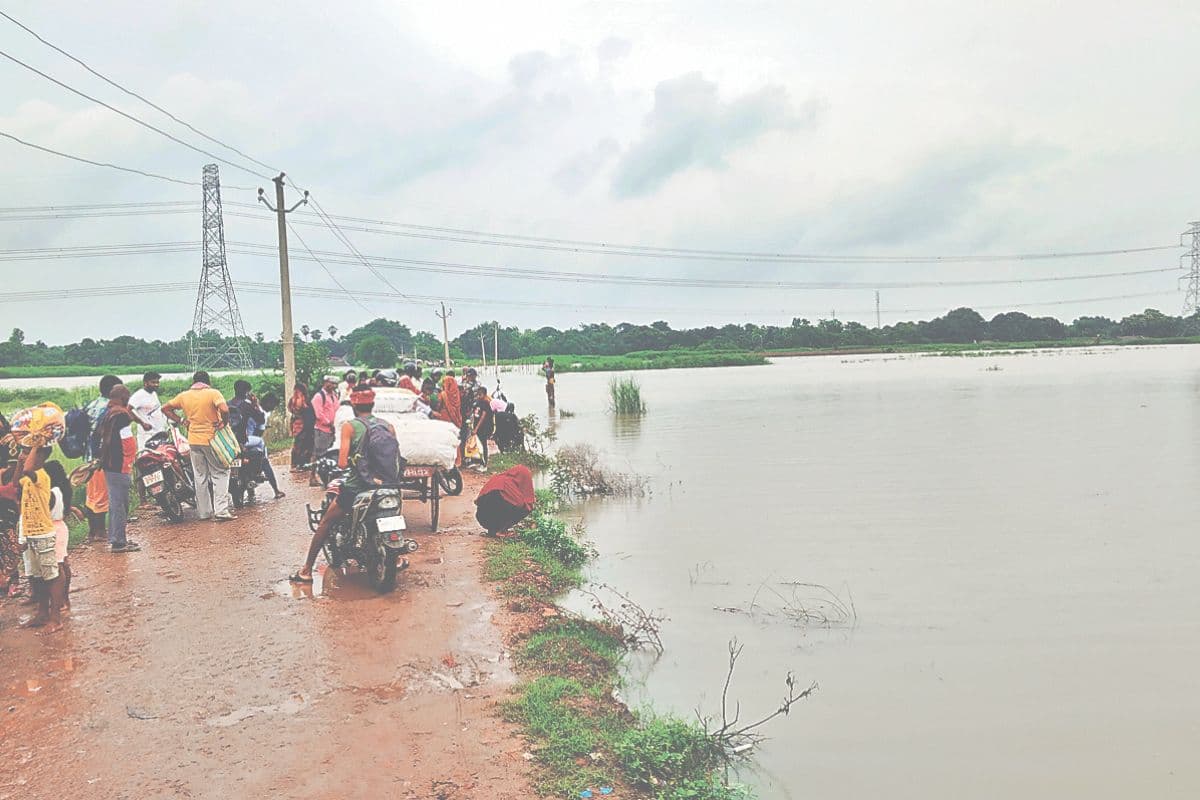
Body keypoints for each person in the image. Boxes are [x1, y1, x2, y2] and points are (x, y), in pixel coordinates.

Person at [290, 387, 399, 583]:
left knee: (326, 521)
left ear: (354, 406)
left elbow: (341, 463)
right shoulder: (388, 426)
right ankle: (398, 558)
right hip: (388, 485)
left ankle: (306, 570)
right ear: (372, 405)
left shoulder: (350, 426)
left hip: (359, 486)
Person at [163, 370, 235, 522]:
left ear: (194, 382)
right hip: (212, 439)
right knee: (220, 473)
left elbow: (165, 408)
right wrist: (224, 422)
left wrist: (181, 420)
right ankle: (221, 510)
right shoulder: (213, 393)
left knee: (200, 476)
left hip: (193, 440)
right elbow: (225, 409)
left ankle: (204, 512)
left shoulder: (184, 396)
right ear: (207, 382)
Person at [17, 446, 65, 631]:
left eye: (26, 452)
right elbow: (16, 484)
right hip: (30, 532)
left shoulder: (40, 476)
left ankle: (56, 618)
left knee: (51, 575)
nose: (22, 455)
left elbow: (28, 470)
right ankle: (42, 613)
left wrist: (35, 444)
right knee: (37, 576)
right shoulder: (27, 479)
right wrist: (21, 461)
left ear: (41, 456)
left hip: (43, 532)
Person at [96, 384, 141, 551]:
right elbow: (129, 416)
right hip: (117, 464)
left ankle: (118, 538)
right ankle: (118, 541)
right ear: (122, 398)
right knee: (119, 503)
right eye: (127, 397)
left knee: (119, 502)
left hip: (116, 465)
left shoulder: (111, 413)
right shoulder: (118, 414)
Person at [44, 460, 74, 612]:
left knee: (58, 565)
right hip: (61, 526)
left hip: (54, 527)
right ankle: (65, 597)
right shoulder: (64, 489)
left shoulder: (52, 492)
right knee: (63, 562)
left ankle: (61, 600)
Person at [475, 464, 535, 537]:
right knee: (523, 509)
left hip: (481, 517)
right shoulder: (510, 486)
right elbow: (523, 505)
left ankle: (493, 530)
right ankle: (500, 531)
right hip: (491, 518)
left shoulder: (499, 479)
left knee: (500, 503)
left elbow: (478, 500)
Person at [246, 394, 285, 500]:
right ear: (269, 403)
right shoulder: (260, 413)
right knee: (264, 460)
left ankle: (251, 491)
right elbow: (259, 433)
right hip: (248, 440)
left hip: (235, 440)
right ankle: (276, 490)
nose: (273, 409)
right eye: (273, 406)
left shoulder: (243, 407)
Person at [309, 375, 340, 486]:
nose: (333, 386)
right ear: (326, 383)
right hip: (322, 429)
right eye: (331, 383)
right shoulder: (319, 396)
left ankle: (326, 476)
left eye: (335, 384)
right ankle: (312, 477)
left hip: (332, 429)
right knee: (318, 454)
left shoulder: (333, 396)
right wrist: (328, 422)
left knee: (330, 454)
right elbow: (318, 414)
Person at [129, 371, 166, 450]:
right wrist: (142, 423)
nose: (156, 385)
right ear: (145, 383)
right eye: (153, 382)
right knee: (146, 458)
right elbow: (127, 410)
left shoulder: (153, 394)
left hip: (158, 432)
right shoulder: (139, 395)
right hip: (146, 434)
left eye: (157, 382)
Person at [288, 381, 315, 471]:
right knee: (305, 445)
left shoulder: (293, 400)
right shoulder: (304, 400)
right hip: (304, 424)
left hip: (295, 424)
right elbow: (309, 413)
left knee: (297, 444)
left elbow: (291, 410)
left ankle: (295, 464)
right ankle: (301, 464)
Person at [468, 385, 495, 468]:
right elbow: (474, 414)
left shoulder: (486, 403)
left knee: (483, 444)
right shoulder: (477, 402)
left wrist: (476, 429)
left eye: (480, 394)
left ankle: (484, 464)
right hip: (476, 426)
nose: (479, 396)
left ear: (485, 394)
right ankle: (478, 461)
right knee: (477, 444)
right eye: (478, 394)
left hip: (484, 427)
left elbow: (483, 417)